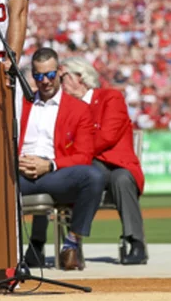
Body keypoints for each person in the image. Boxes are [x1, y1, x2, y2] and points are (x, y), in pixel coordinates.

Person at [19, 48, 106, 270]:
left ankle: (71, 244)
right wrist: (16, 160)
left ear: (59, 71)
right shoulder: (20, 104)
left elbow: (84, 155)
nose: (45, 81)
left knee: (93, 176)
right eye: (39, 76)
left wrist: (49, 165)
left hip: (54, 173)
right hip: (18, 173)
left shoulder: (78, 109)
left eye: (49, 74)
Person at [60, 56, 148, 264]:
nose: (59, 83)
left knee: (122, 179)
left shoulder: (111, 97)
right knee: (84, 174)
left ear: (78, 78)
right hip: (92, 164)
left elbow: (107, 136)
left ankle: (136, 242)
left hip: (118, 163)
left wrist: (79, 152)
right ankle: (73, 243)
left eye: (63, 77)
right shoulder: (67, 107)